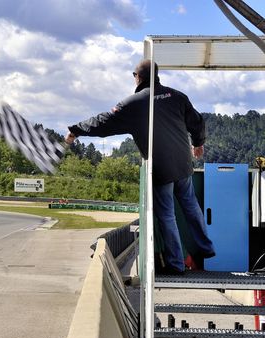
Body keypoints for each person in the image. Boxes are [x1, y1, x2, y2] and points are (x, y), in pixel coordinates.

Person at [65, 59, 215, 275]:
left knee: (167, 214)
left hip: (161, 168)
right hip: (183, 162)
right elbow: (197, 122)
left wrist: (75, 130)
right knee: (190, 204)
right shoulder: (177, 96)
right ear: (157, 75)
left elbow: (102, 122)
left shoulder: (133, 103)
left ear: (137, 77)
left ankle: (175, 264)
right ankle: (206, 247)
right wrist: (198, 143)